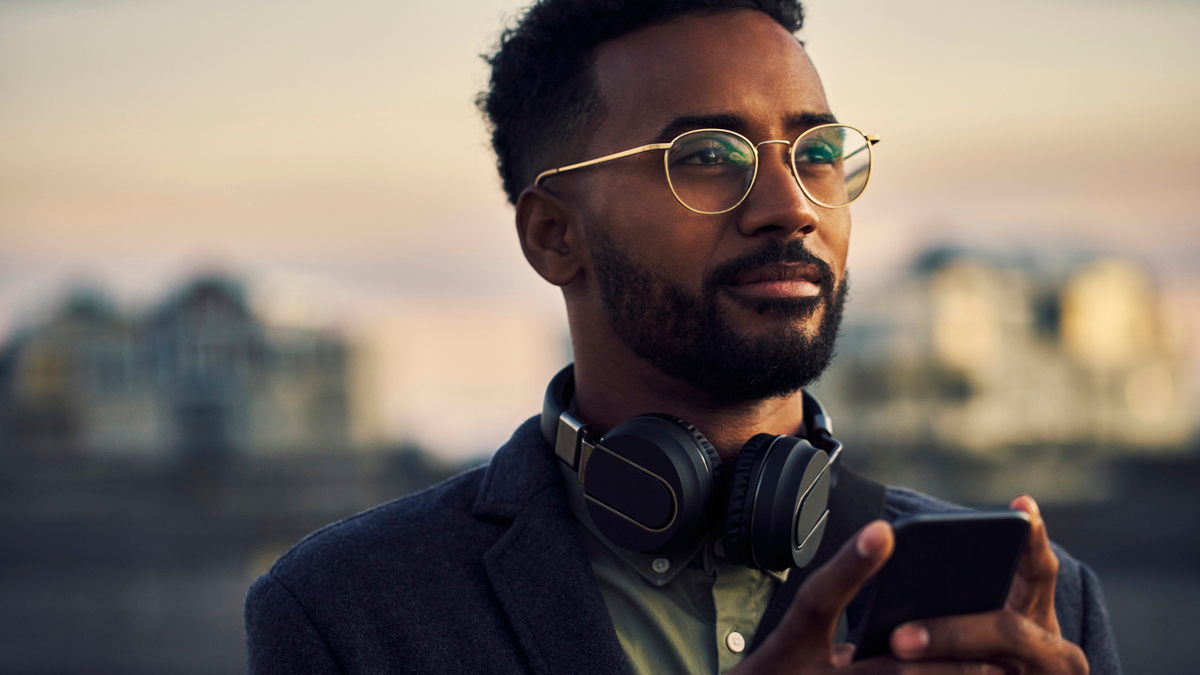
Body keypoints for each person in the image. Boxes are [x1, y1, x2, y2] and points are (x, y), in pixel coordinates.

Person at [244, 1, 1120, 673]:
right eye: (708, 155)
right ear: (555, 235)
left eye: (815, 151)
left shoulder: (1031, 601)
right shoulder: (347, 609)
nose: (792, 207)